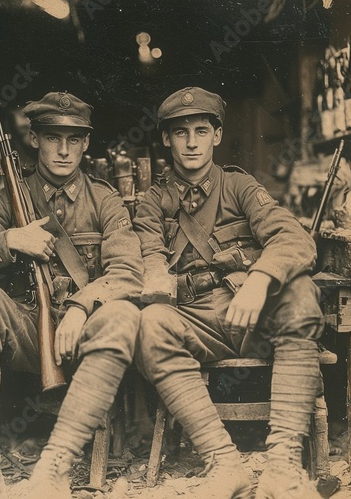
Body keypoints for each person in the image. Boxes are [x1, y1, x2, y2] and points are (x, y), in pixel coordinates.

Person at [0, 91, 143, 499]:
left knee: (122, 318)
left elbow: (128, 273)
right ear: (34, 139)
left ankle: (55, 468)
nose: (64, 150)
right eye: (53, 138)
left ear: (87, 143)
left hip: (85, 334)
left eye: (74, 139)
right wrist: (10, 240)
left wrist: (80, 307)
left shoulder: (105, 200)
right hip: (29, 332)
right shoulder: (10, 199)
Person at [133, 87, 324, 499]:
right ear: (165, 139)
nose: (191, 142)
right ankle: (223, 463)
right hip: (196, 320)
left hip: (251, 313)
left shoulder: (239, 185)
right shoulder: (152, 202)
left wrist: (260, 279)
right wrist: (156, 281)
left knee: (302, 296)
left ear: (217, 136)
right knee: (150, 324)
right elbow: (149, 257)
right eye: (180, 132)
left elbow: (294, 238)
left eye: (201, 131)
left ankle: (283, 466)